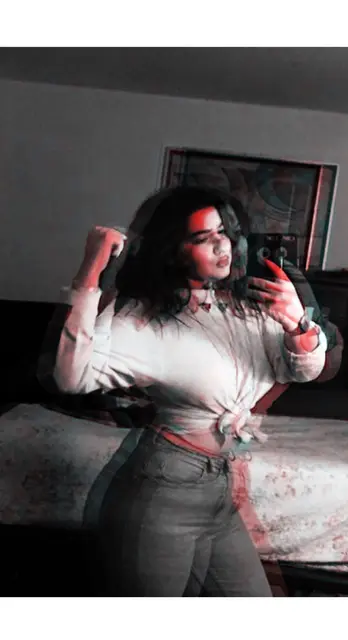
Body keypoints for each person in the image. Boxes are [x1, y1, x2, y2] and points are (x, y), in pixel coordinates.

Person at [50, 185, 327, 597]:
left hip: (220, 488)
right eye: (202, 238)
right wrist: (91, 270)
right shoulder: (144, 319)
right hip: (165, 491)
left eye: (223, 232)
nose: (221, 245)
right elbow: (72, 377)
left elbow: (303, 369)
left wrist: (297, 323)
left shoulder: (245, 308)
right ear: (174, 251)